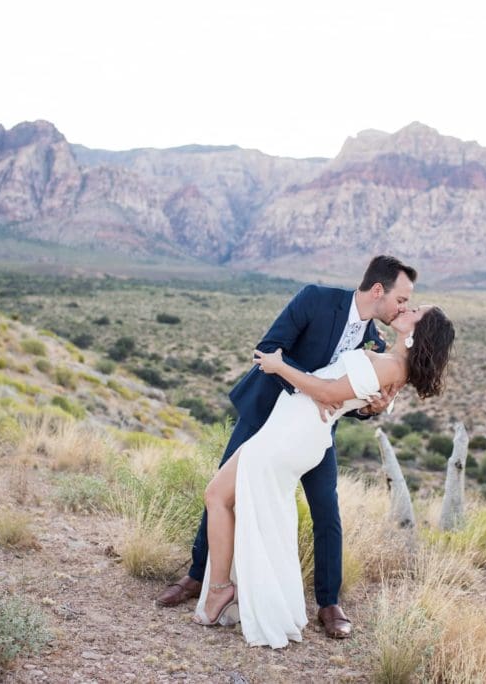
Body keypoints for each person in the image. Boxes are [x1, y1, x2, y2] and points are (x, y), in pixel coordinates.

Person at [155, 256, 417, 640]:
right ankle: (198, 577)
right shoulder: (315, 299)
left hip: (313, 436)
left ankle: (329, 602)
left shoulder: (377, 342)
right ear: (378, 290)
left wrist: (367, 408)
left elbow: (351, 400)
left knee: (326, 511)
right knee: (222, 490)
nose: (404, 308)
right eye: (402, 299)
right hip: (265, 416)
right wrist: (312, 390)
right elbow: (270, 349)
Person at [194, 304, 455, 648]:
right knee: (237, 502)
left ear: (418, 332)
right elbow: (342, 390)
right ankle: (230, 588)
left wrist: (279, 366)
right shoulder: (390, 361)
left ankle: (221, 590)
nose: (409, 307)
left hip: (294, 434)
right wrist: (342, 396)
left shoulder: (392, 366)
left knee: (221, 498)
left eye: (417, 311)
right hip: (288, 427)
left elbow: (331, 394)